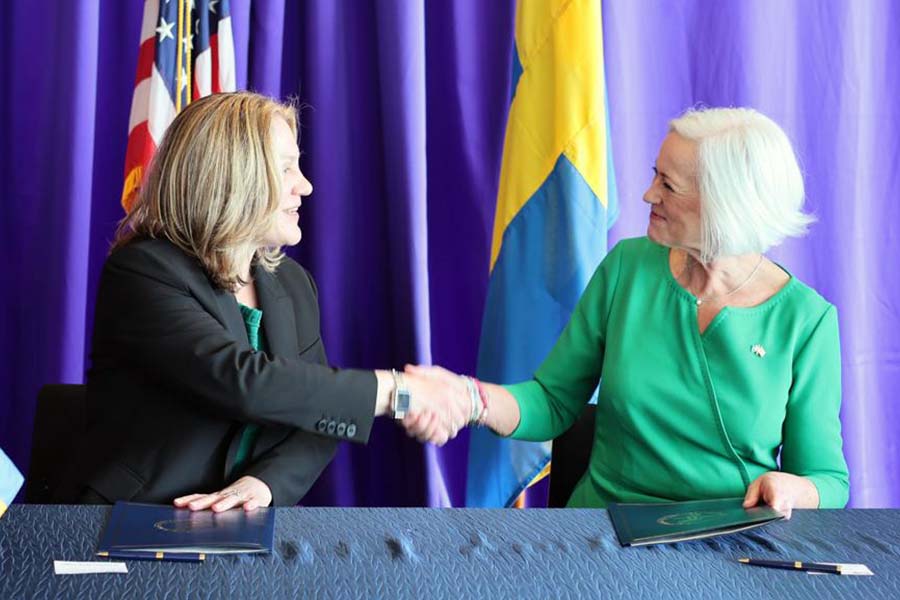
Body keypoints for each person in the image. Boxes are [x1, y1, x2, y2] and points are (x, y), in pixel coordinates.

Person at [406, 107, 849, 516]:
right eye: (655, 175)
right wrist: (467, 399)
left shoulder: (807, 321)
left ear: (727, 206)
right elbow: (552, 401)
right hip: (602, 532)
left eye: (668, 185)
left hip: (724, 543)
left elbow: (827, 480)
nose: (647, 193)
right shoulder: (626, 268)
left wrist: (792, 490)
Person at [66, 92, 468, 511]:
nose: (305, 185)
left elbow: (316, 419)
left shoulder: (292, 284)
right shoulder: (143, 272)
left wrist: (265, 483)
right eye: (285, 169)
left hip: (240, 526)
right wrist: (397, 391)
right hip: (128, 523)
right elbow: (245, 382)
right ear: (230, 177)